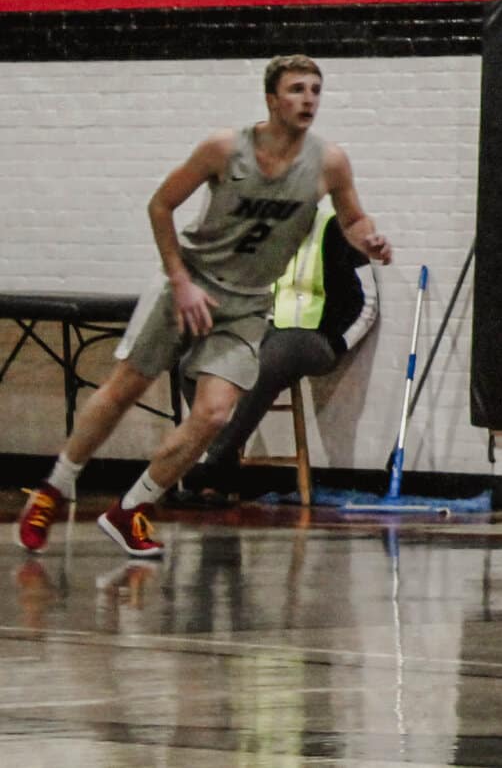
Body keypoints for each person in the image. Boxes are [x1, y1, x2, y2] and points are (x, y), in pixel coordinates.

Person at [17, 56, 392, 560]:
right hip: (189, 284)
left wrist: (369, 238)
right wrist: (179, 280)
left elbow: (352, 218)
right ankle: (55, 488)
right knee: (125, 387)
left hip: (246, 305)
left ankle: (132, 508)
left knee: (214, 413)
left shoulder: (329, 162)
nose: (308, 99)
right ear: (271, 99)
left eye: (316, 90)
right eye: (297, 89)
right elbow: (160, 205)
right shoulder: (224, 148)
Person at [187, 193, 379, 495]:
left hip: (314, 338)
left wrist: (339, 344)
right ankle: (223, 466)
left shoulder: (338, 228)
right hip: (266, 330)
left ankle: (212, 464)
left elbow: (368, 302)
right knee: (192, 353)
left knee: (274, 355)